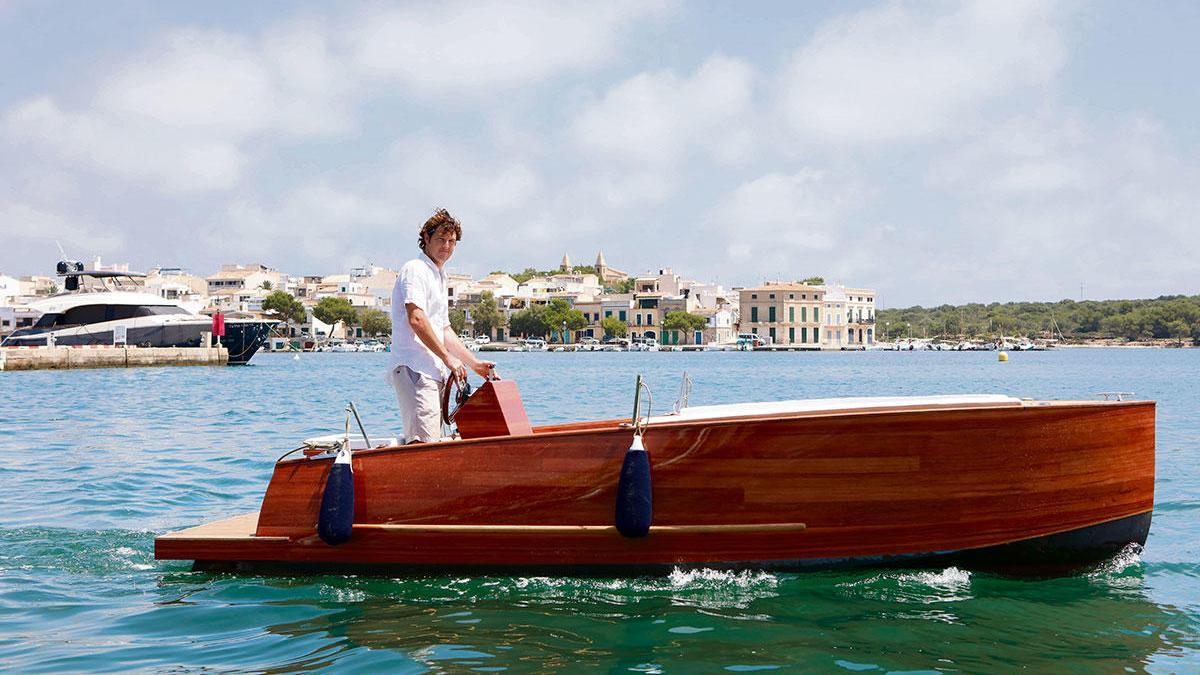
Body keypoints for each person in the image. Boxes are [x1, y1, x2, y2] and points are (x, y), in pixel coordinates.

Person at [389, 209, 494, 443]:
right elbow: (416, 318)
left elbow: (443, 328)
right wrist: (448, 358)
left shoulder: (439, 275)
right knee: (423, 443)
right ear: (426, 237)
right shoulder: (415, 270)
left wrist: (474, 364)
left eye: (452, 242)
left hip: (431, 370)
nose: (446, 246)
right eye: (440, 239)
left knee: (430, 439)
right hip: (415, 367)